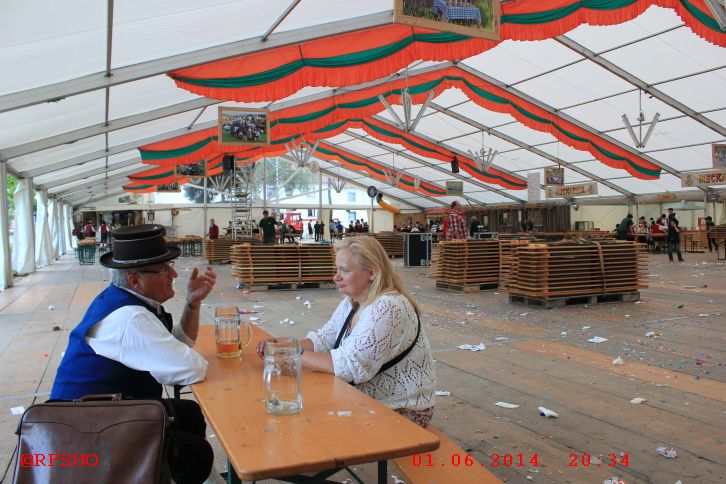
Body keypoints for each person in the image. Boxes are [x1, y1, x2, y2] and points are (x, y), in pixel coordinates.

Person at [50, 224, 217, 483]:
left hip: (99, 412)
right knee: (195, 454)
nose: (174, 274)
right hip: (86, 432)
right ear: (135, 281)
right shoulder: (130, 317)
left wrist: (192, 302)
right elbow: (191, 369)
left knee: (188, 412)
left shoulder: (120, 299)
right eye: (164, 269)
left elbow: (177, 345)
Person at [256, 236, 436, 427]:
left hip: (402, 408)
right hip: (367, 398)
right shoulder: (353, 301)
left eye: (344, 270)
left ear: (372, 273)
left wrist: (290, 352)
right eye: (337, 269)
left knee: (302, 422)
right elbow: (324, 339)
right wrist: (284, 345)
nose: (336, 277)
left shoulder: (388, 307)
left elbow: (350, 367)